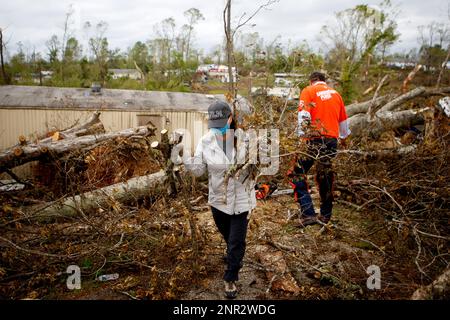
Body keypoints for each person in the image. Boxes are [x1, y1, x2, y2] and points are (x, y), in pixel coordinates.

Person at [171, 100, 256, 299]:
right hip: (219, 199)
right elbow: (200, 169)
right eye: (214, 125)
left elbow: (256, 168)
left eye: (222, 123)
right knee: (228, 237)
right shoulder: (206, 141)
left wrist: (250, 165)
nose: (218, 129)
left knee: (236, 241)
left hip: (242, 198)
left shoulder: (245, 139)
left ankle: (230, 278)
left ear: (230, 118)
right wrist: (184, 157)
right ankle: (234, 256)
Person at [288, 71, 351, 227]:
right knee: (325, 177)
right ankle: (325, 216)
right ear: (324, 81)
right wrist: (343, 139)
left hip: (313, 140)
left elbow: (304, 116)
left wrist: (302, 140)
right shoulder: (336, 94)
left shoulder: (308, 91)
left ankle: (308, 213)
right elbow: (343, 121)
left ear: (311, 81)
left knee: (296, 173)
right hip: (331, 141)